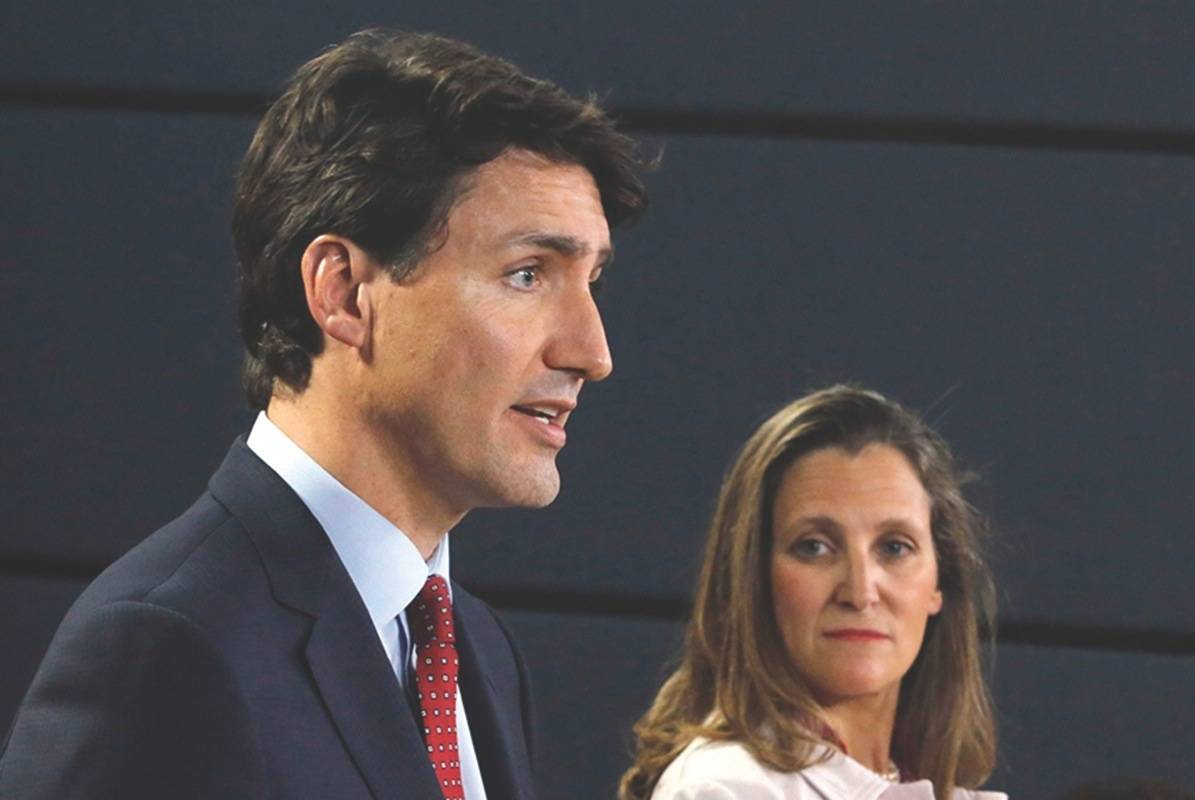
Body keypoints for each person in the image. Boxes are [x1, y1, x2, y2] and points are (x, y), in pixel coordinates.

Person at [0, 29, 647, 799]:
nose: (592, 351)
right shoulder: (165, 645)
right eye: (528, 274)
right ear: (342, 293)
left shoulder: (478, 649)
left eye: (592, 282)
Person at [620, 385, 1004, 800]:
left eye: (894, 547)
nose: (860, 592)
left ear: (939, 582)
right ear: (753, 579)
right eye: (815, 547)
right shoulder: (725, 788)